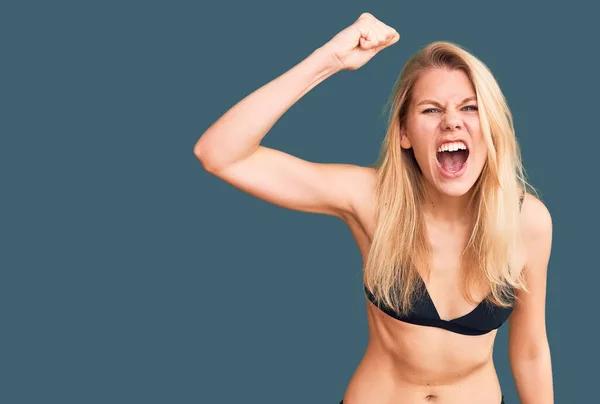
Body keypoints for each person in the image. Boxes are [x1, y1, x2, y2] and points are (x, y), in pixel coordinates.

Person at [194, 12, 553, 404]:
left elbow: (531, 351)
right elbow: (219, 154)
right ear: (403, 133)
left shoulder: (527, 222)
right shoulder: (372, 200)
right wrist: (329, 59)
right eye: (431, 110)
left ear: (492, 127)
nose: (452, 122)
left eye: (470, 108)